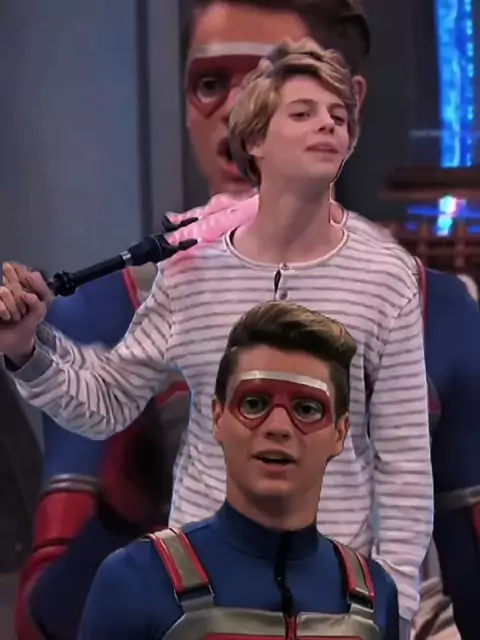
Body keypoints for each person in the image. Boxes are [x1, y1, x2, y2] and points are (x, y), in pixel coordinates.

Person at [1, 38, 431, 639]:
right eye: (303, 112)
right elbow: (107, 403)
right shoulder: (191, 269)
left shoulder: (387, 277)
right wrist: (25, 348)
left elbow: (404, 457)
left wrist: (395, 608)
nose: (329, 125)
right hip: (197, 586)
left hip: (338, 593)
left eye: (339, 116)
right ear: (255, 140)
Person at [79, 300, 400, 639]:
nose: (278, 427)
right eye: (254, 403)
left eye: (307, 409)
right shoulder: (138, 579)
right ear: (218, 417)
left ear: (340, 432)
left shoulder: (376, 595)